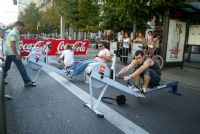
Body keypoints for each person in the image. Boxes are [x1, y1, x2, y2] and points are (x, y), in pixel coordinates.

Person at [3, 21, 36, 87]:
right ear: (18, 26)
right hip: (12, 53)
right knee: (21, 66)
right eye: (21, 27)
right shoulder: (14, 33)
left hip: (10, 52)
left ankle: (2, 79)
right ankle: (27, 81)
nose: (22, 29)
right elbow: (12, 44)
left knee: (7, 66)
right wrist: (17, 54)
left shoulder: (14, 32)